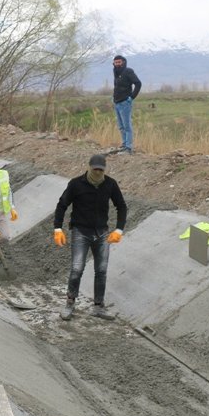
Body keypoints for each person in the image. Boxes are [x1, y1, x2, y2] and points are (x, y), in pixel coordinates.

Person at [53, 154, 127, 320]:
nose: (98, 172)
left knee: (101, 270)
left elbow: (121, 206)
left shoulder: (110, 184)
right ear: (89, 167)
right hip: (81, 232)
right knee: (77, 268)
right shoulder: (76, 184)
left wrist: (119, 230)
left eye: (101, 170)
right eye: (95, 169)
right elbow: (62, 204)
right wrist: (58, 228)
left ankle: (98, 306)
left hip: (102, 233)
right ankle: (70, 302)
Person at [112, 55, 142, 154]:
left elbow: (138, 83)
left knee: (127, 126)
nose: (117, 64)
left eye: (119, 62)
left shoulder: (128, 71)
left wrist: (132, 97)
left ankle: (128, 148)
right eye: (115, 62)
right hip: (117, 102)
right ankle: (124, 145)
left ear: (124, 62)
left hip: (125, 102)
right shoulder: (115, 72)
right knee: (121, 126)